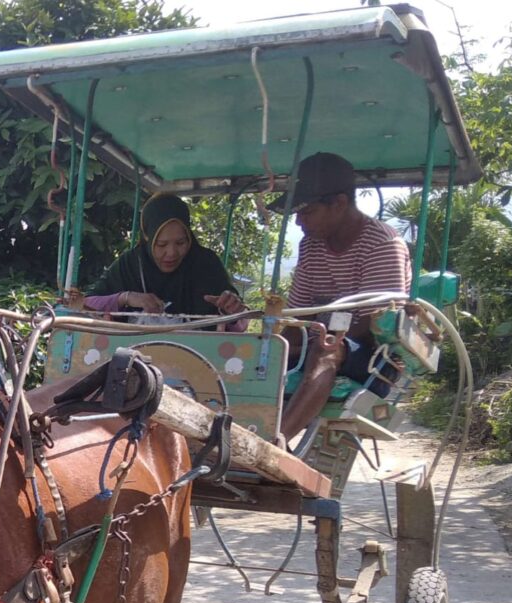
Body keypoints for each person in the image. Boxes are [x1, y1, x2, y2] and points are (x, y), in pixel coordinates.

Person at [277, 152, 412, 440]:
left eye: (307, 212)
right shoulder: (310, 246)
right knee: (260, 352)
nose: (299, 222)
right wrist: (274, 347)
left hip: (374, 361)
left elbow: (373, 328)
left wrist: (313, 341)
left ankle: (275, 443)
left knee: (327, 348)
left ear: (339, 203)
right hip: (318, 346)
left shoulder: (382, 244)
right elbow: (297, 318)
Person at [78, 192, 247, 325]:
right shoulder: (130, 264)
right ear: (147, 238)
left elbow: (240, 324)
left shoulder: (206, 264)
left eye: (180, 242)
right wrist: (126, 297)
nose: (171, 253)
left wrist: (231, 310)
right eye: (161, 244)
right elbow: (85, 305)